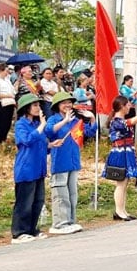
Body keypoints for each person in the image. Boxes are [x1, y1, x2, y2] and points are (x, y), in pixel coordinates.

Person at [11, 94, 61, 244]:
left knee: (37, 201)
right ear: (26, 108)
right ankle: (19, 232)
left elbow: (41, 144)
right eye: (34, 105)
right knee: (24, 202)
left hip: (39, 168)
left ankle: (32, 229)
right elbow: (26, 140)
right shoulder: (21, 124)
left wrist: (51, 145)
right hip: (26, 168)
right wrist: (41, 127)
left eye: (38, 105)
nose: (38, 108)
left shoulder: (36, 124)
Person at [44, 92, 85, 235]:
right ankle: (59, 223)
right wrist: (64, 121)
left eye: (69, 102)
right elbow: (48, 131)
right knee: (60, 194)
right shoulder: (53, 119)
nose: (67, 105)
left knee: (72, 194)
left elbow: (89, 132)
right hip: (60, 162)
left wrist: (92, 120)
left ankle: (70, 220)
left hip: (73, 161)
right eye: (64, 103)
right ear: (57, 106)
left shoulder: (74, 120)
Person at [104, 95, 137, 220]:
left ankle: (122, 210)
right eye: (127, 105)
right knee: (121, 182)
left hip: (125, 151)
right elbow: (129, 122)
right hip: (120, 152)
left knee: (124, 182)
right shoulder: (117, 121)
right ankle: (119, 211)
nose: (129, 107)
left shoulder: (117, 120)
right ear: (121, 107)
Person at [0, 63, 16, 144]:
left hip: (9, 104)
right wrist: (9, 95)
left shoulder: (7, 80)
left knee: (8, 124)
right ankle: (0, 141)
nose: (7, 72)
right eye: (6, 71)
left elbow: (13, 91)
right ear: (1, 71)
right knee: (1, 124)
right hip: (0, 105)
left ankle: (4, 139)